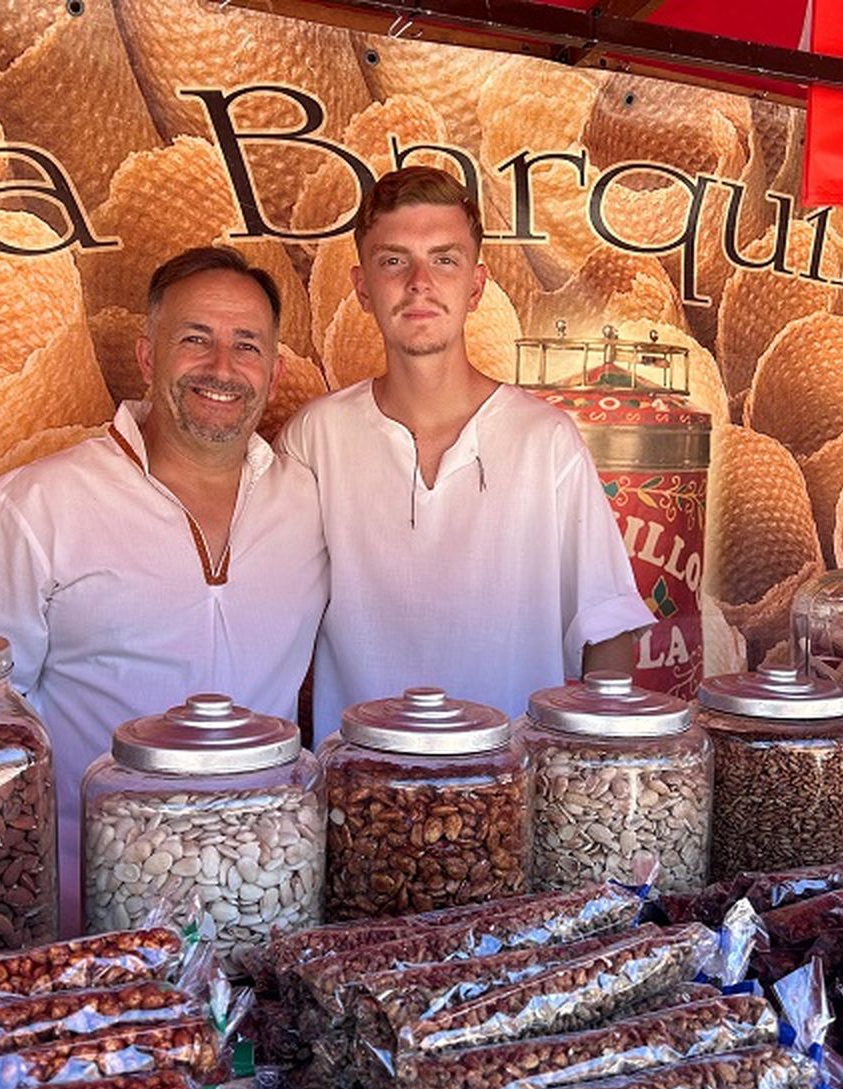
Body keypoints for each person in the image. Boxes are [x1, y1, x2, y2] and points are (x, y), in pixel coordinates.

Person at [0, 246, 327, 929]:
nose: (222, 367)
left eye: (247, 345)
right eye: (195, 339)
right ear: (148, 356)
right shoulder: (34, 508)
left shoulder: (312, 502)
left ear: (273, 370)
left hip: (264, 899)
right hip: (87, 909)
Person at [278, 166, 651, 741]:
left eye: (445, 259)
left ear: (475, 287)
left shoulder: (544, 440)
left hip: (510, 791)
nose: (420, 282)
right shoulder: (315, 438)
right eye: (394, 260)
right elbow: (270, 613)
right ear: (361, 286)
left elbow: (605, 627)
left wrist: (589, 769)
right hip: (362, 789)